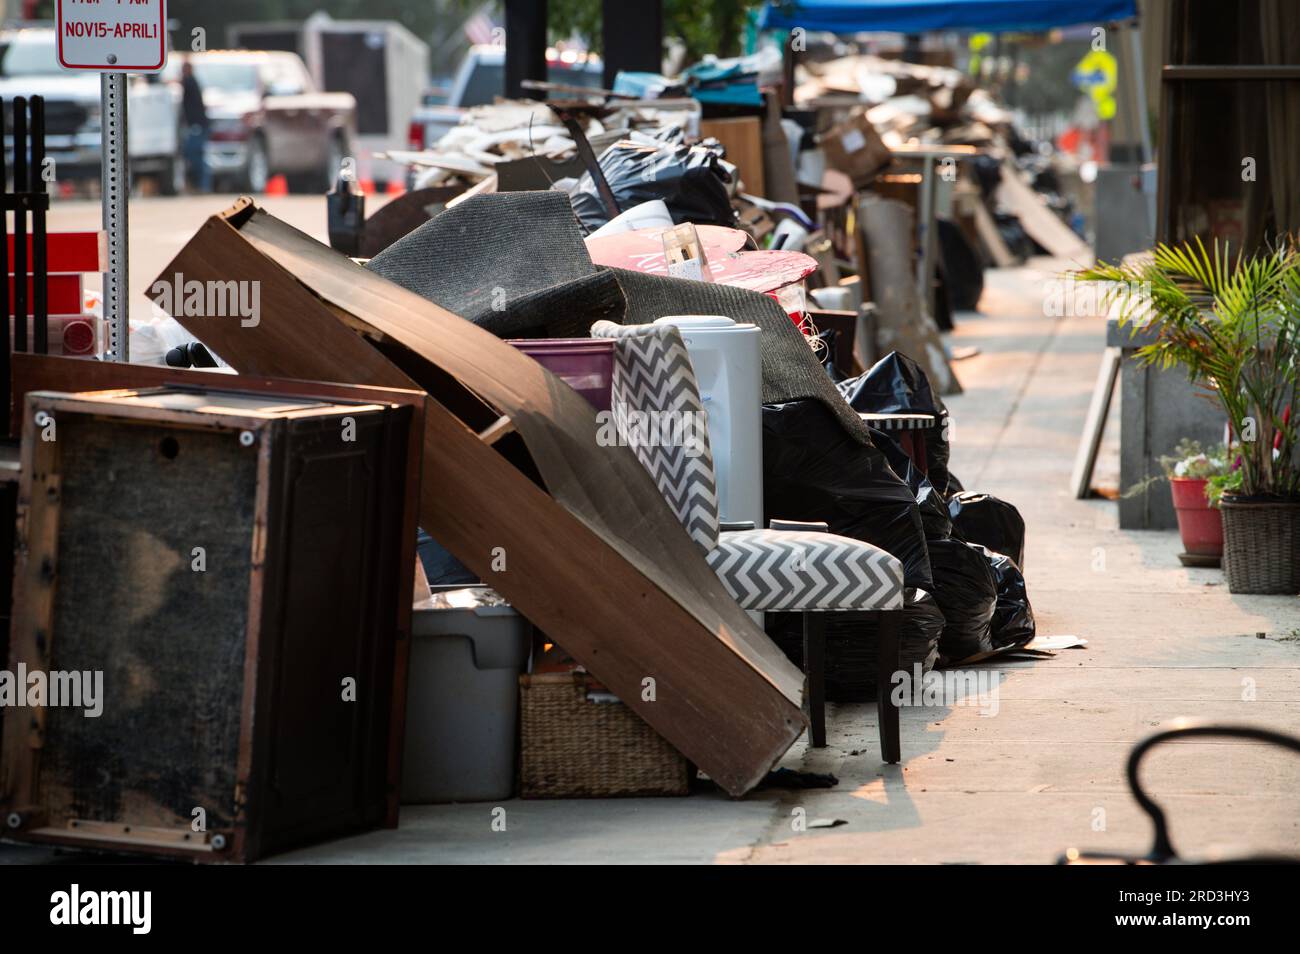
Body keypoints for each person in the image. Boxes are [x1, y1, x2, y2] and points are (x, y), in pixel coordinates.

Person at [180, 61, 210, 192]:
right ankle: (202, 184)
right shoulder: (193, 81)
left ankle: (204, 184)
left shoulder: (190, 82)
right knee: (194, 154)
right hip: (198, 124)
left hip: (197, 125)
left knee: (195, 154)